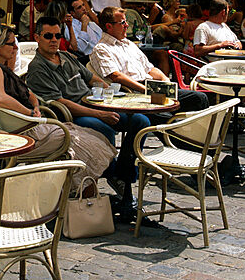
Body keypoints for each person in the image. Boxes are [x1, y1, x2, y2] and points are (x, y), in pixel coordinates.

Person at [25, 16, 151, 214]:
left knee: (141, 121)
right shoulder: (37, 69)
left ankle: (122, 174)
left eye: (58, 35)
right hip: (72, 115)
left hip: (95, 103)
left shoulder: (66, 56)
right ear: (37, 37)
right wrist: (100, 114)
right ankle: (118, 179)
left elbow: (90, 78)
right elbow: (61, 102)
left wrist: (111, 91)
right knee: (104, 128)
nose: (54, 40)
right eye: (48, 36)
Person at [0, 25, 116, 185]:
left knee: (94, 138)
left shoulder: (3, 68)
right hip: (26, 133)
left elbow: (30, 94)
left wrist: (35, 106)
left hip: (33, 125)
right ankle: (84, 191)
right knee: (89, 143)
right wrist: (29, 113)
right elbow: (0, 98)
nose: (16, 47)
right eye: (11, 44)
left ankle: (82, 190)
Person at [89, 7, 209, 112]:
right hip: (133, 93)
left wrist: (164, 80)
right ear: (109, 26)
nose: (127, 25)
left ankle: (198, 135)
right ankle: (179, 135)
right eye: (122, 22)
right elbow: (116, 76)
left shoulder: (128, 44)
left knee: (200, 98)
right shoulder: (101, 49)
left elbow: (149, 68)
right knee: (173, 114)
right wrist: (145, 90)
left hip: (152, 86)